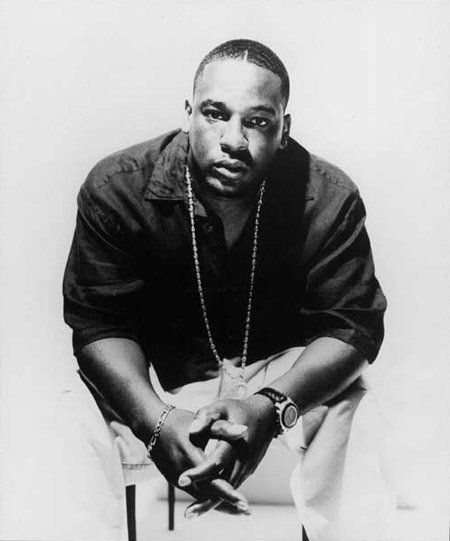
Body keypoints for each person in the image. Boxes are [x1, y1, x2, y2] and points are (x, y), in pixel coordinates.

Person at [63, 39, 394, 541]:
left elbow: (354, 326)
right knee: (67, 408)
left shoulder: (329, 196)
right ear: (188, 113)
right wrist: (156, 422)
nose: (233, 140)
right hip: (157, 376)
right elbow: (97, 323)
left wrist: (269, 408)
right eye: (215, 114)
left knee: (358, 404)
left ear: (284, 130)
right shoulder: (117, 187)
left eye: (257, 121)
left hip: (275, 375)